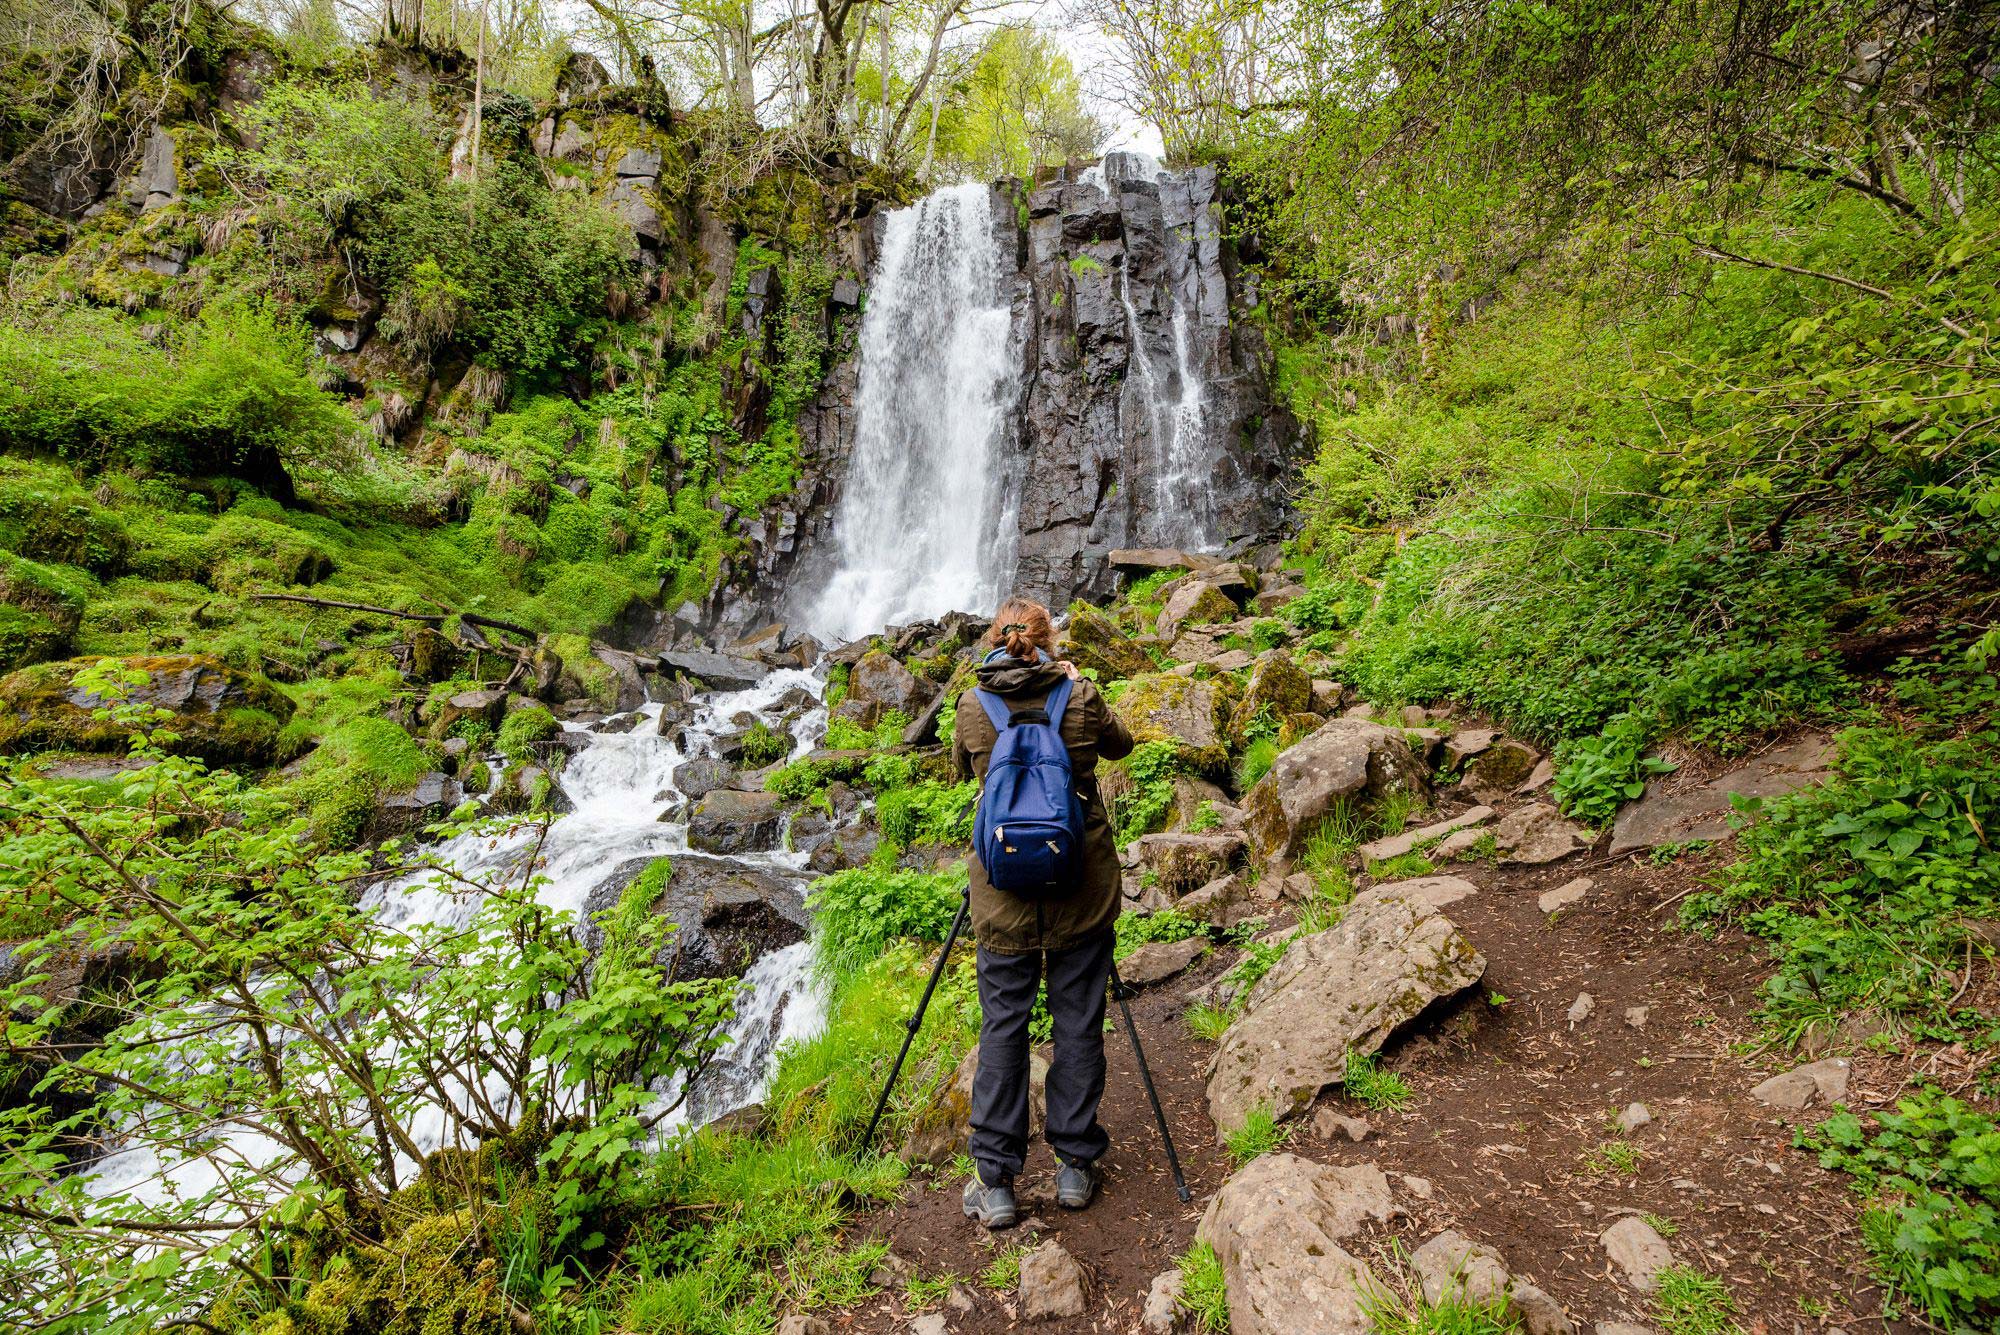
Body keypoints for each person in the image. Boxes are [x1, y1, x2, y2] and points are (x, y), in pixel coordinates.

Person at [951, 596, 1134, 1229]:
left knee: (1003, 1026)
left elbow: (963, 771)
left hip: (1002, 895)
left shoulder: (974, 706)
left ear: (995, 641)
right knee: (1078, 1021)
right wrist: (1076, 682)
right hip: (1080, 888)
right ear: (1048, 638)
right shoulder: (1079, 698)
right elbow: (1122, 745)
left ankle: (996, 1182)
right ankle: (1074, 1167)